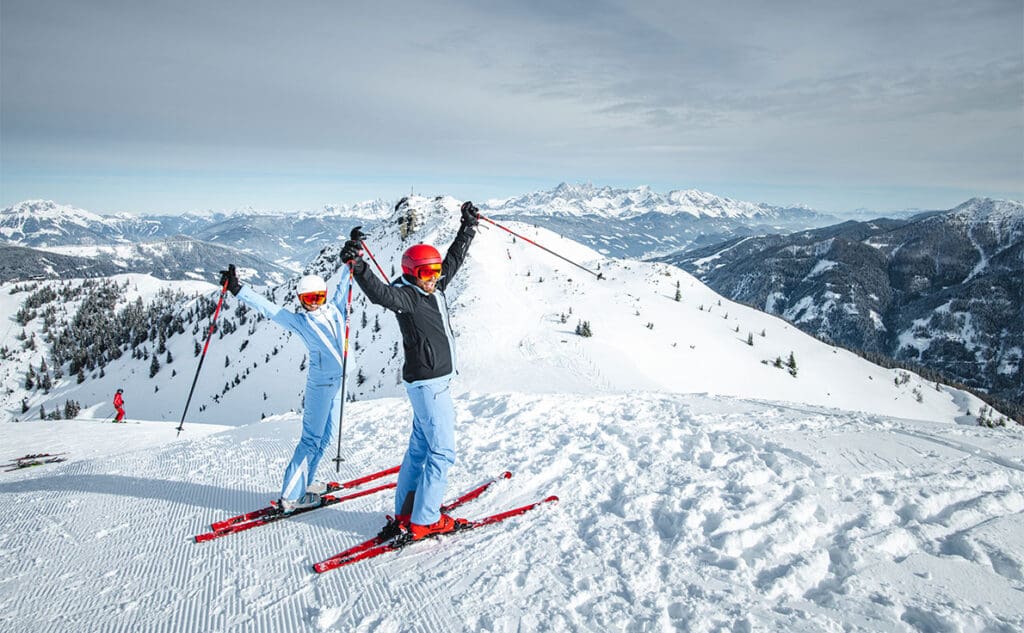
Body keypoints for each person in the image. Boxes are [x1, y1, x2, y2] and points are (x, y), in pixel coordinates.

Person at [339, 201, 479, 540]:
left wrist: (468, 228)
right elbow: (380, 294)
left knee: (419, 449)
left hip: (432, 383)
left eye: (435, 273)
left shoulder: (435, 287)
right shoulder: (407, 297)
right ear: (412, 272)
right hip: (429, 386)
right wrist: (358, 266)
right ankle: (425, 519)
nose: (434, 278)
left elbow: (453, 261)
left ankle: (407, 509)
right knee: (442, 452)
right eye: (426, 273)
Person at [218, 264, 350, 513]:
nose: (314, 304)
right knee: (311, 439)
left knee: (325, 438)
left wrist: (351, 258)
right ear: (301, 300)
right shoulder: (301, 322)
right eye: (308, 299)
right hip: (320, 385)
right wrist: (237, 289)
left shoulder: (336, 309)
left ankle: (305, 483)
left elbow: (346, 282)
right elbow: (270, 309)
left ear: (324, 294)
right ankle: (291, 497)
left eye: (319, 297)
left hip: (338, 382)